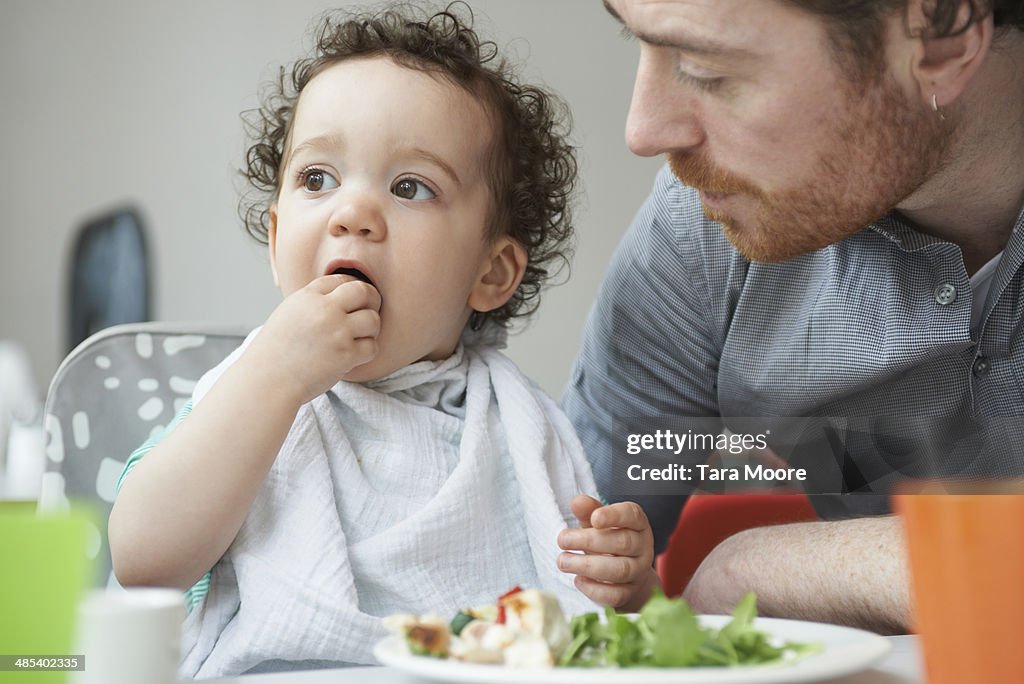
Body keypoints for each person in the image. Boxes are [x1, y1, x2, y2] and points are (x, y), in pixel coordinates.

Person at [107, 4, 655, 677]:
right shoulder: (253, 392)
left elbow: (585, 625)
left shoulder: (517, 425)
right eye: (318, 178)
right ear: (278, 244)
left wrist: (628, 584)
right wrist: (276, 377)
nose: (353, 213)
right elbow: (142, 561)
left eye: (409, 187)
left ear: (491, 273)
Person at [562, 0, 1024, 635]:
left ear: (941, 34)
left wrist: (748, 571)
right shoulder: (702, 237)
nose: (642, 131)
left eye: (705, 67)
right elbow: (548, 565)